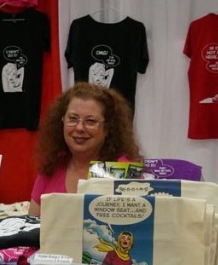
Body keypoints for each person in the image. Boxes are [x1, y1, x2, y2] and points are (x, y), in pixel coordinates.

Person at [29, 82, 142, 216]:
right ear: (62, 121)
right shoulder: (52, 166)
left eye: (90, 121)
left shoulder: (124, 170)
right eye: (73, 119)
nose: (80, 128)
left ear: (107, 128)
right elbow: (31, 224)